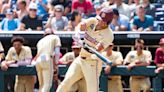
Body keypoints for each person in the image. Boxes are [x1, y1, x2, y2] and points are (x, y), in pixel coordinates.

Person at [56, 7, 114, 92]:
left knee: (92, 90)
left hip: (92, 63)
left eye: (103, 21)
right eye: (100, 19)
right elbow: (81, 25)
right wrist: (77, 33)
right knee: (66, 82)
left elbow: (97, 49)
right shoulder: (93, 21)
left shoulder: (109, 35)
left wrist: (84, 45)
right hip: (80, 59)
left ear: (108, 22)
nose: (99, 21)